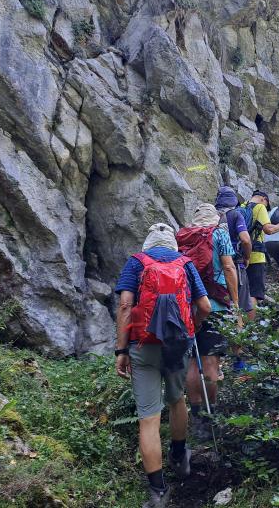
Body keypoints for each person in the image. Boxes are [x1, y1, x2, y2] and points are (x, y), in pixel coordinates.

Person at [114, 223, 211, 508]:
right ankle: (180, 456)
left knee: (148, 418)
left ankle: (157, 492)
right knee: (176, 399)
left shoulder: (136, 263)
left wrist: (121, 349)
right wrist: (191, 329)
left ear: (147, 246)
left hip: (143, 346)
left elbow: (124, 306)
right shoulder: (186, 263)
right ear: (172, 245)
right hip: (178, 344)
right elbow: (204, 306)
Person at [177, 204, 239, 441]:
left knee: (193, 365)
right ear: (214, 219)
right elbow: (228, 266)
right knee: (211, 362)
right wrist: (234, 302)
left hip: (189, 308)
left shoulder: (182, 236)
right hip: (215, 305)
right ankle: (212, 415)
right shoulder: (219, 233)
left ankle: (198, 419)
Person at [243, 190, 279, 318]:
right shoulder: (260, 207)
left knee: (241, 292)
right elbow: (269, 229)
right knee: (254, 293)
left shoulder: (240, 207)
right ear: (263, 199)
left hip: (239, 255)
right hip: (255, 256)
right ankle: (249, 330)